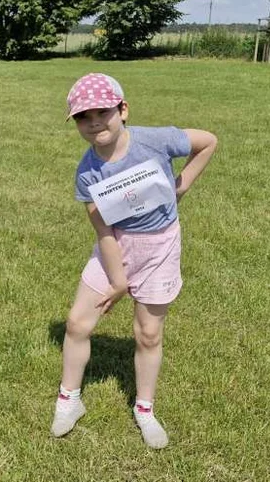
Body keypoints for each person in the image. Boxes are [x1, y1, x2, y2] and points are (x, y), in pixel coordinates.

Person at [52, 73, 218, 449]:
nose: (94, 122)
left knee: (148, 333)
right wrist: (118, 280)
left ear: (122, 109)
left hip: (160, 247)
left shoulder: (155, 140)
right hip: (117, 247)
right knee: (78, 322)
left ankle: (144, 408)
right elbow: (104, 232)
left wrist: (184, 184)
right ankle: (69, 399)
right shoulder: (87, 173)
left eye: (102, 112)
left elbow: (208, 142)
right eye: (82, 117)